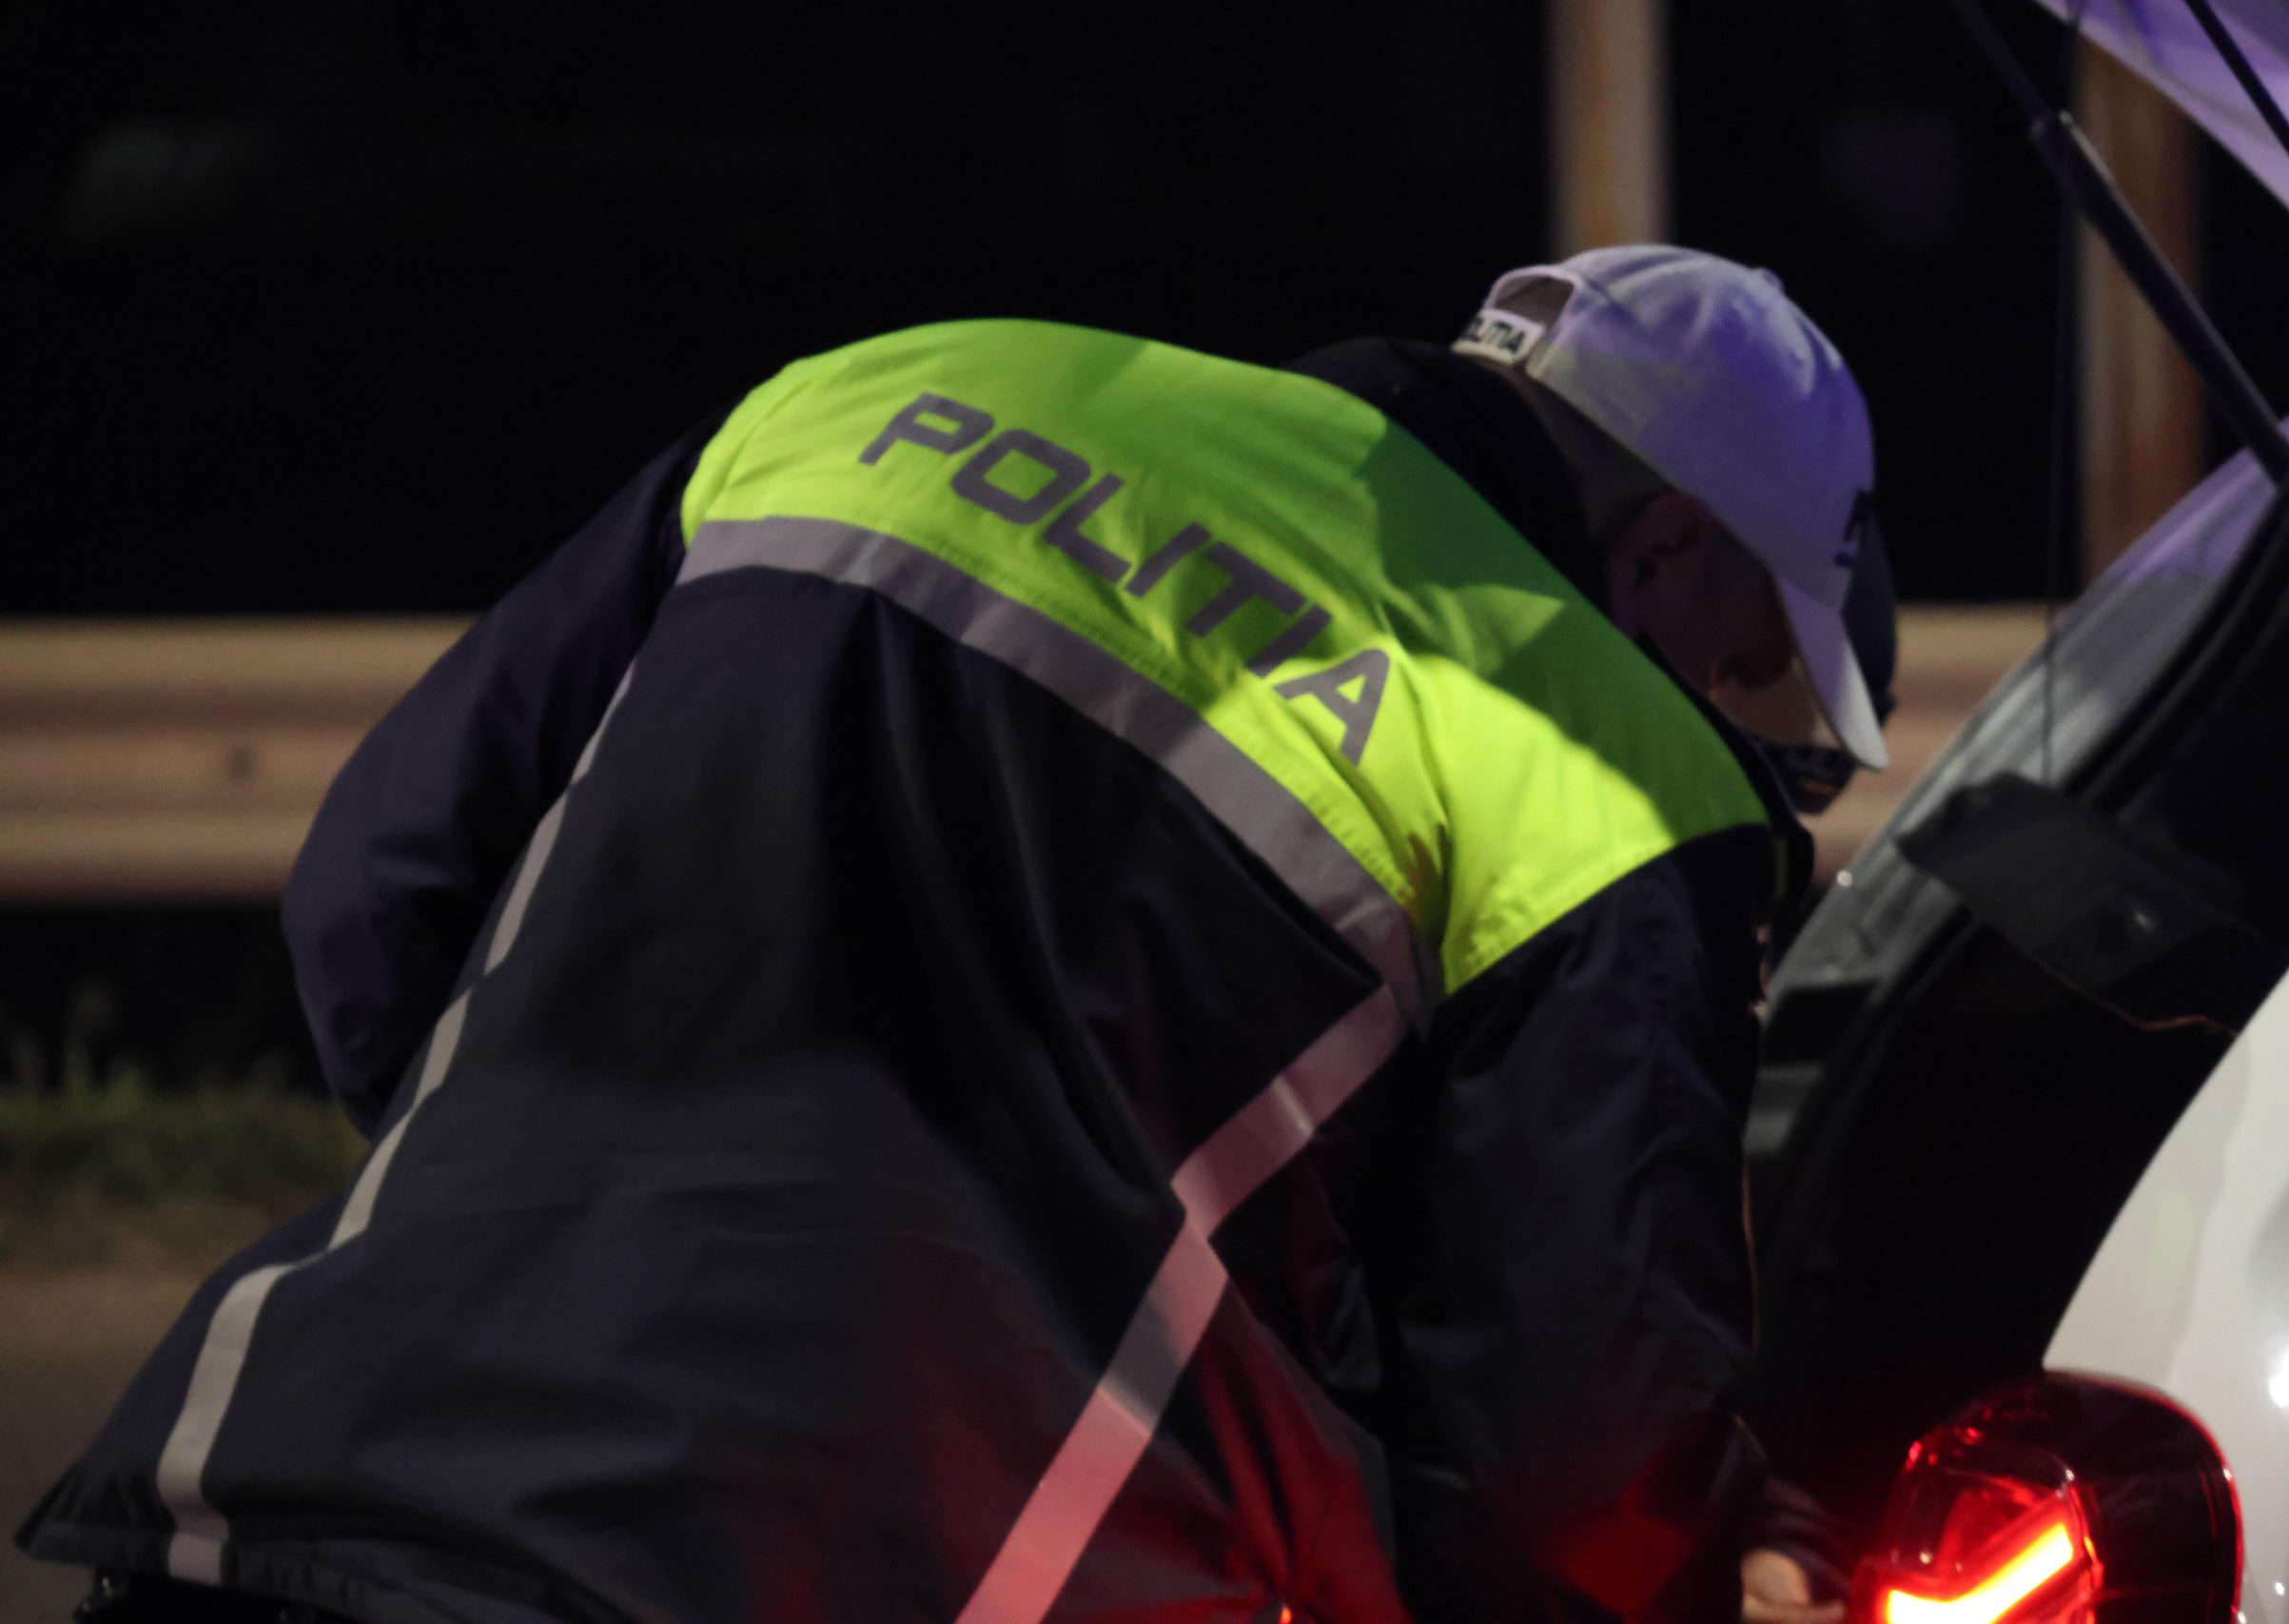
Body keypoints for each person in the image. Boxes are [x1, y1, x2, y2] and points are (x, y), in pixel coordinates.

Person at [20, 245, 1888, 1624]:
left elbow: (379, 891)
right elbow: (1566, 1468)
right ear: (1657, 550)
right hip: (850, 1566)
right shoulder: (1601, 759)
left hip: (290, 1490)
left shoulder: (874, 393)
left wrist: (540, 1227)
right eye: (1743, 667)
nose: (1728, 724)